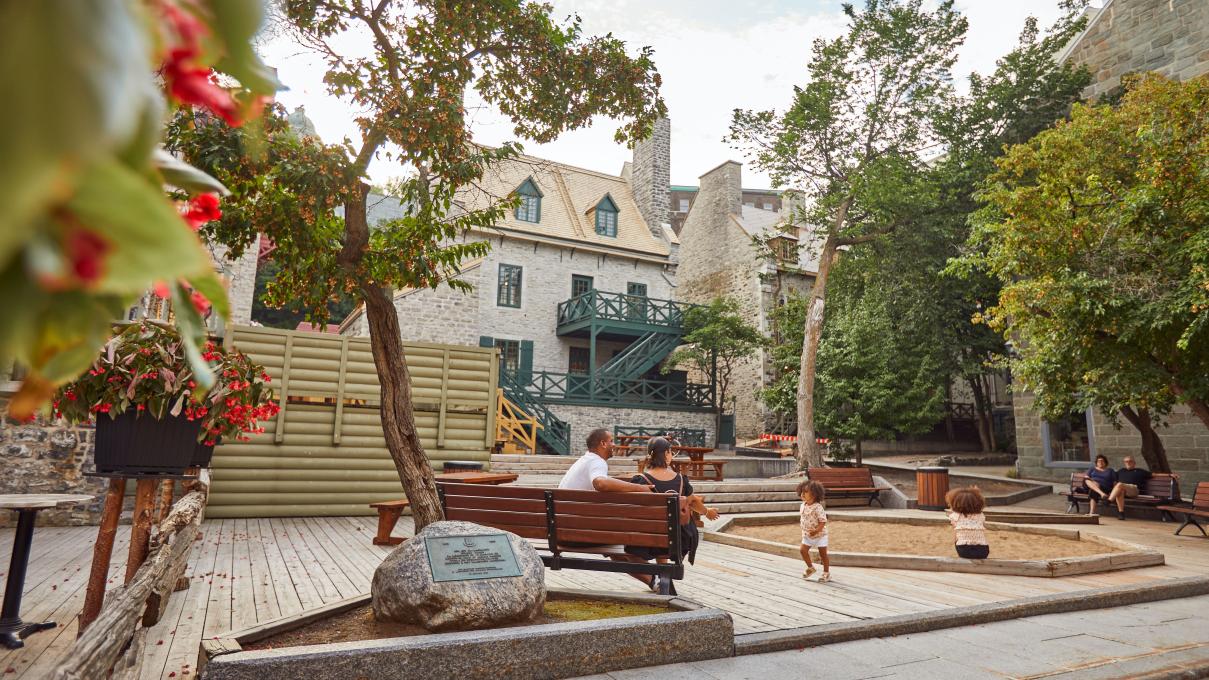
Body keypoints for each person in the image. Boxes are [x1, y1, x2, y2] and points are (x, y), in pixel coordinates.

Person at [626, 437, 720, 571]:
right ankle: (663, 573)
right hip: (677, 540)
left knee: (658, 526)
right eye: (671, 452)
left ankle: (658, 576)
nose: (671, 455)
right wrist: (707, 512)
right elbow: (692, 501)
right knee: (669, 526)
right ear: (666, 454)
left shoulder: (640, 480)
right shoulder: (680, 480)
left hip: (647, 541)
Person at [558, 428, 654, 493]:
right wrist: (640, 488)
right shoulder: (597, 461)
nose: (614, 445)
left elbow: (602, 480)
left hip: (561, 513)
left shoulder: (587, 459)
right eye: (611, 441)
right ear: (603, 444)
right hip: (574, 517)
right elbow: (601, 483)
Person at [1108, 456, 1178, 521]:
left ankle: (1109, 501)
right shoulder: (1121, 471)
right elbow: (1111, 478)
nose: (1128, 463)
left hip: (1134, 490)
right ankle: (1121, 513)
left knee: (1120, 484)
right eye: (1126, 461)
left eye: (1130, 461)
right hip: (1123, 490)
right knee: (1120, 490)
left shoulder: (1140, 471)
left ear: (1134, 463)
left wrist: (1169, 475)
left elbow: (1155, 474)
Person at [797, 479, 830, 583]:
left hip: (820, 535)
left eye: (805, 492)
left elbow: (823, 522)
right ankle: (810, 568)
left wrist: (816, 531)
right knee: (802, 550)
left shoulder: (818, 507)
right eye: (801, 491)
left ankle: (826, 573)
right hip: (807, 535)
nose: (802, 494)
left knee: (823, 554)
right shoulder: (803, 505)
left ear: (814, 494)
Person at [945, 486, 989, 559]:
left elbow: (956, 535)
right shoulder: (980, 516)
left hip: (964, 549)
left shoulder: (955, 516)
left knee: (958, 538)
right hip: (983, 550)